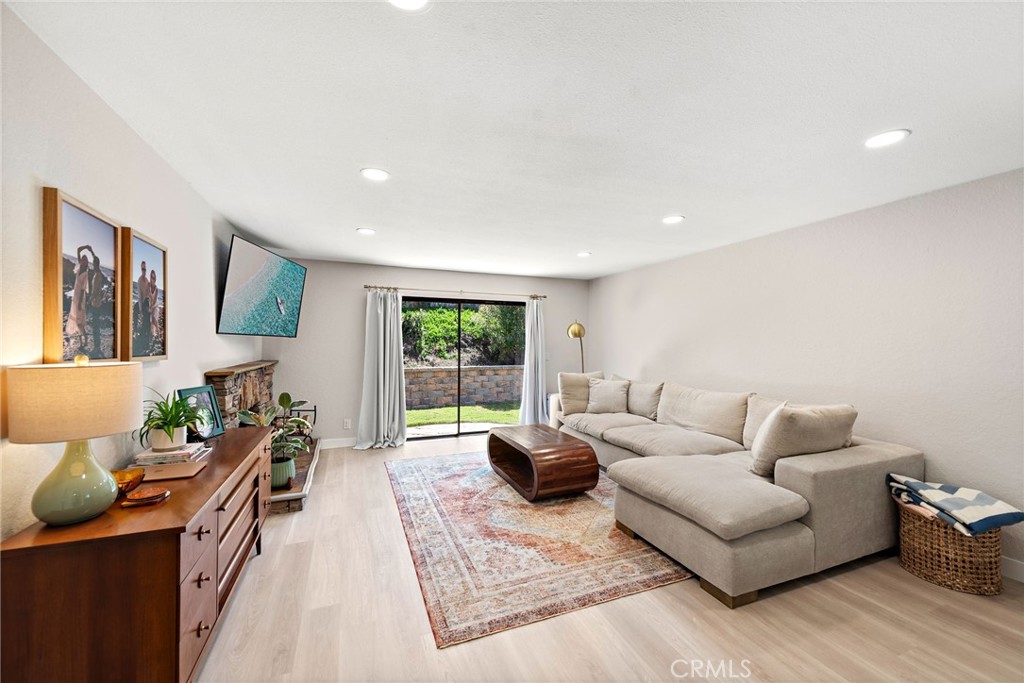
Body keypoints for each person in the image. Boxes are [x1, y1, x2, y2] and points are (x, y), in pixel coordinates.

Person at [65, 246, 90, 353]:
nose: (83, 261)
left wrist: (80, 303)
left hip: (80, 299)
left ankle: (86, 340)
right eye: (82, 259)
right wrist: (87, 248)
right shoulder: (80, 268)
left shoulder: (85, 274)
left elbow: (83, 290)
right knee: (76, 321)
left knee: (80, 323)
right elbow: (78, 250)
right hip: (75, 298)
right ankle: (81, 343)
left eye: (85, 260)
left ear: (87, 262)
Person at [88, 249, 106, 356]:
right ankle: (97, 346)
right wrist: (92, 252)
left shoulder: (98, 275)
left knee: (95, 326)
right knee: (95, 325)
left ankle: (97, 347)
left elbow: (95, 291)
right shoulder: (97, 273)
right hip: (96, 302)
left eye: (94, 263)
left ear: (96, 264)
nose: (93, 264)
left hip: (96, 303)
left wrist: (89, 300)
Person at [136, 260, 151, 353]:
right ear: (141, 269)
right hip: (142, 302)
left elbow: (148, 295)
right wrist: (141, 309)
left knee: (147, 322)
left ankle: (146, 342)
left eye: (145, 269)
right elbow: (139, 296)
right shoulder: (139, 280)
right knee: (143, 321)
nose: (144, 271)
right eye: (142, 269)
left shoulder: (147, 281)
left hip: (147, 302)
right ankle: (140, 340)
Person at [148, 269, 160, 346]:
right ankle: (152, 334)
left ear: (155, 279)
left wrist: (151, 308)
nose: (152, 279)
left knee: (154, 319)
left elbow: (155, 300)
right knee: (150, 322)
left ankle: (158, 333)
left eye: (153, 277)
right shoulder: (148, 286)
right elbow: (147, 296)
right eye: (151, 277)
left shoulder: (156, 288)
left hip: (155, 306)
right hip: (150, 305)